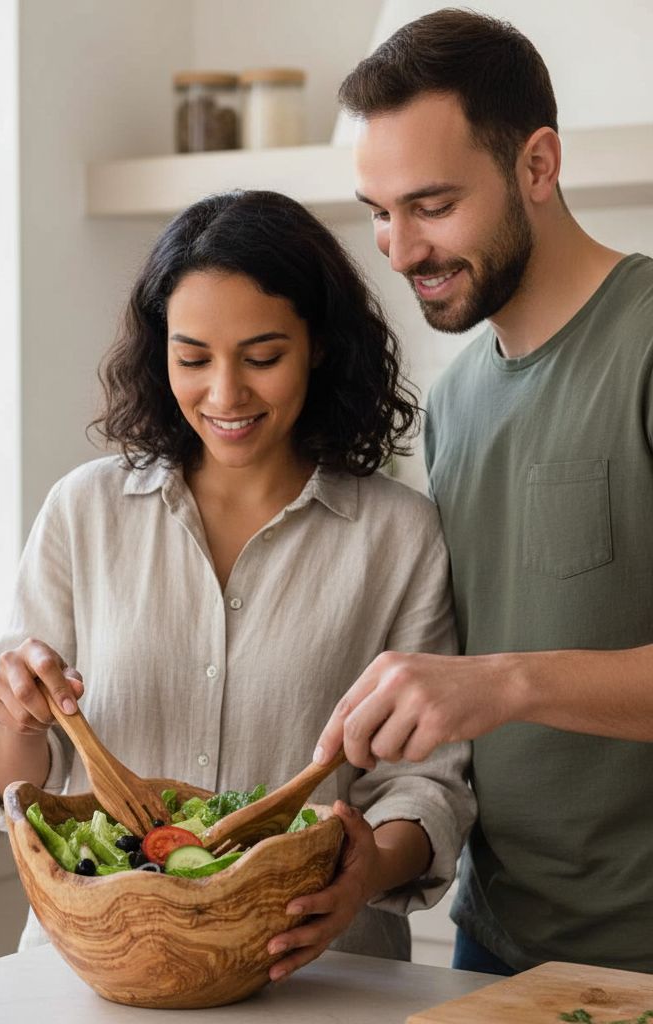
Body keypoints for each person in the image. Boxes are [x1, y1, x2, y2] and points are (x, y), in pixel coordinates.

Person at [0, 189, 474, 981]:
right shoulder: (84, 511)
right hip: (100, 977)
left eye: (263, 357)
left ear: (320, 347)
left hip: (315, 974)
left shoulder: (397, 534)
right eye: (193, 358)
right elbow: (16, 787)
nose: (225, 394)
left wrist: (365, 872)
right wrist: (18, 716)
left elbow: (427, 785)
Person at [314, 8, 653, 977]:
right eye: (376, 210)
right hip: (493, 941)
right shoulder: (455, 403)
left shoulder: (644, 343)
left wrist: (501, 683)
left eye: (430, 204)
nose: (398, 248)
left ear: (537, 166)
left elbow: (493, 680)